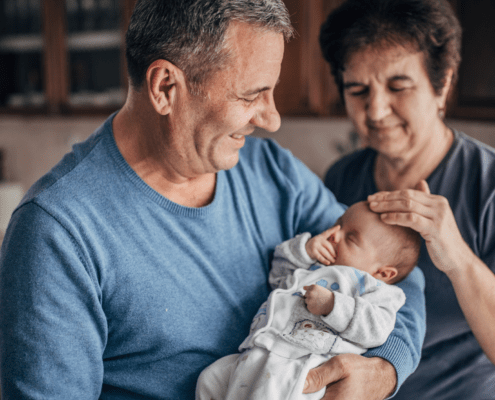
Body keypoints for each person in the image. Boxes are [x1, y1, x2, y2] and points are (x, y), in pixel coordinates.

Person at [0, 1, 425, 399]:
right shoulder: (56, 233)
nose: (272, 119)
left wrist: (384, 371)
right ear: (166, 86)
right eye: (250, 94)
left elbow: (393, 272)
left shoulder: (272, 172)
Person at [319, 0, 495, 399]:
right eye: (358, 90)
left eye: (398, 86)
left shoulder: (488, 186)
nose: (376, 110)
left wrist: (457, 258)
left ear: (442, 85)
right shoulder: (342, 177)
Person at [196, 201, 422, 400]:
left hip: (301, 364)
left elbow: (377, 329)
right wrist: (304, 251)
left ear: (383, 273)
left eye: (350, 238)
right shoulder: (315, 265)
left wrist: (333, 306)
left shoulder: (377, 290)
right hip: (261, 349)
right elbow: (278, 279)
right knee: (211, 379)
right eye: (339, 224)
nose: (334, 234)